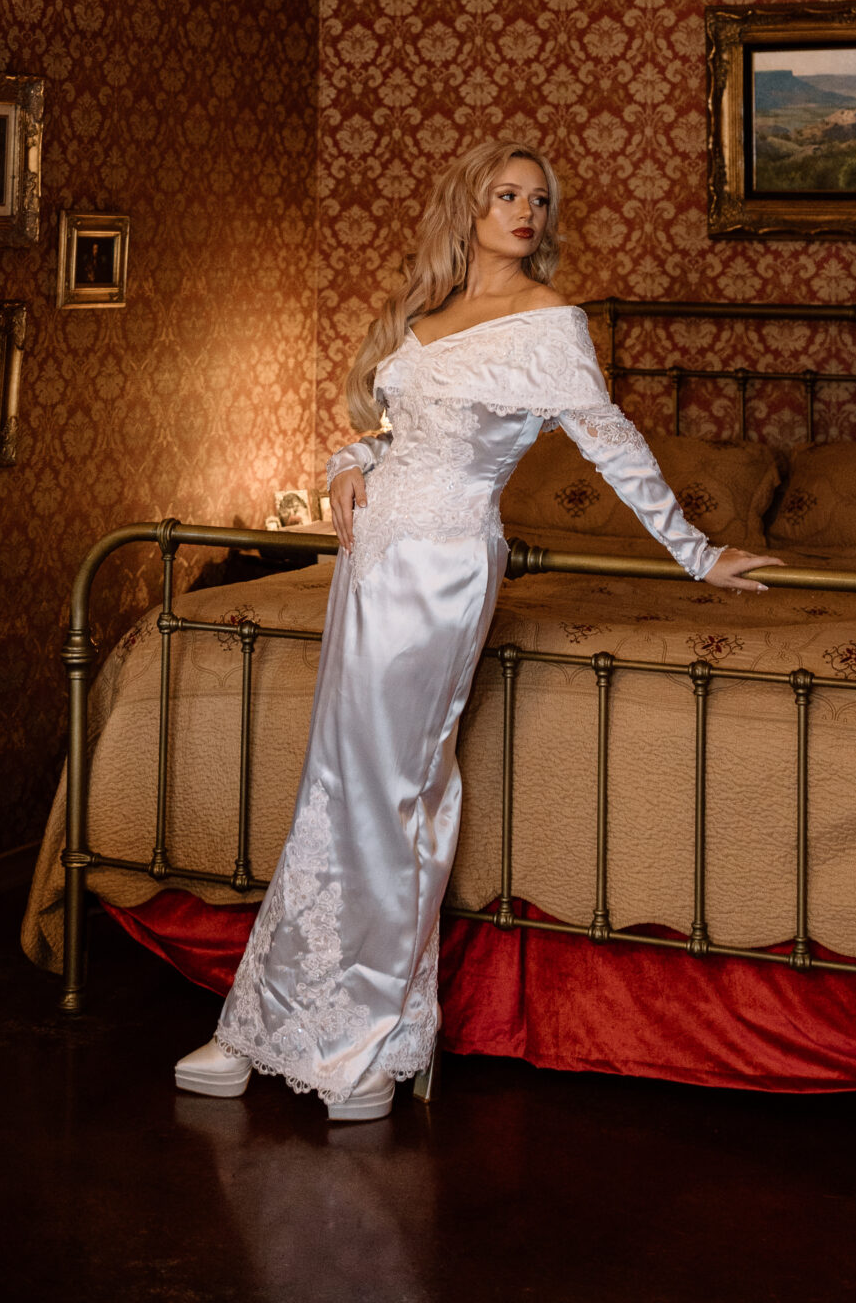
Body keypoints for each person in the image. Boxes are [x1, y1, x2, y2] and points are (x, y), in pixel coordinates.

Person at [173, 138, 779, 1122]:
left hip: (447, 563)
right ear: (470, 205)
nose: (525, 212)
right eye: (506, 195)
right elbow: (383, 429)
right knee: (334, 784)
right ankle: (265, 1020)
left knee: (395, 789)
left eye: (538, 199)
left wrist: (696, 552)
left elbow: (614, 444)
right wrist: (341, 466)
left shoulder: (550, 323)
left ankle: (367, 1039)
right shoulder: (425, 312)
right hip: (369, 561)